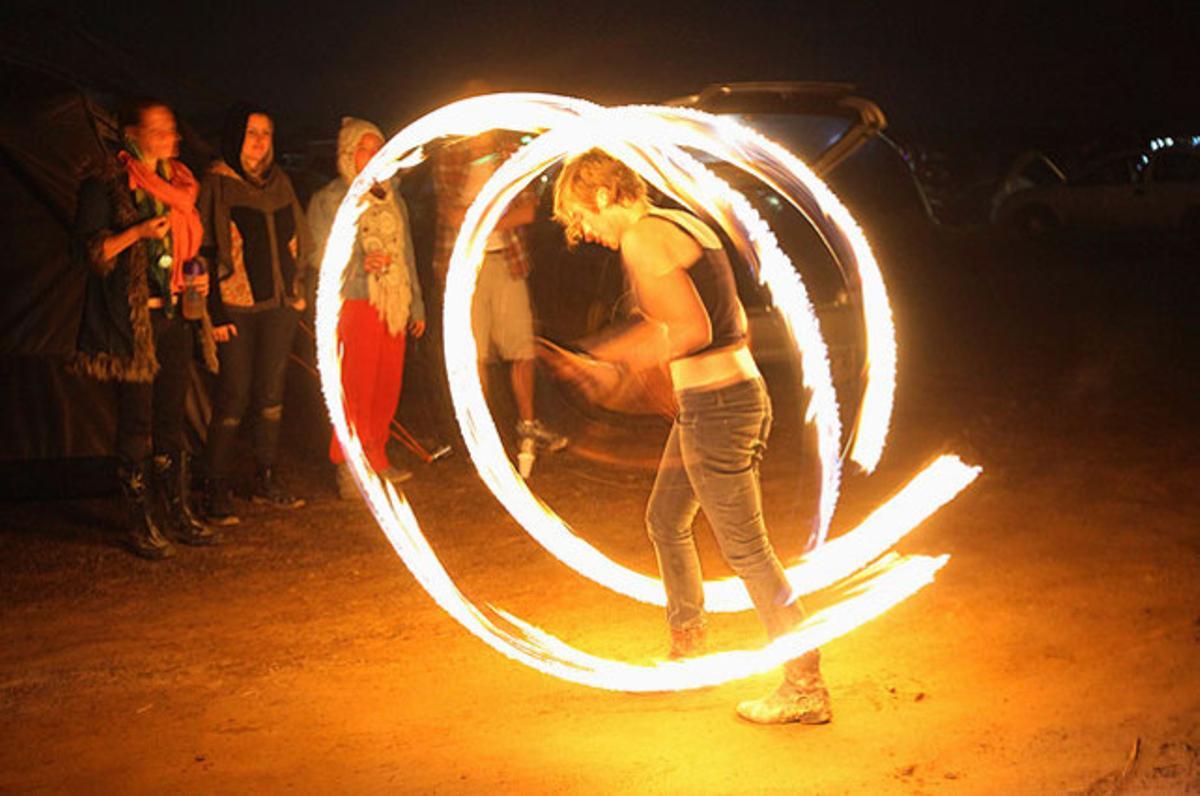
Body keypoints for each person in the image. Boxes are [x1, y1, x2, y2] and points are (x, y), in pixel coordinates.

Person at [549, 149, 832, 725]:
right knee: (666, 519)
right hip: (721, 400)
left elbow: (691, 329)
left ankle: (804, 682)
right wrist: (611, 357)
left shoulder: (642, 239)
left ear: (601, 195)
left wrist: (612, 364)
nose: (584, 233)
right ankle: (688, 642)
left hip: (719, 408)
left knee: (747, 549)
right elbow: (721, 321)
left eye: (582, 217)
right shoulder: (684, 221)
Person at [71, 97, 221, 558]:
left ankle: (177, 512)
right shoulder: (108, 184)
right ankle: (141, 521)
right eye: (157, 129)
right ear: (132, 134)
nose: (168, 138)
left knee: (170, 419)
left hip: (175, 314)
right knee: (137, 421)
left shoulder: (181, 184)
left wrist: (195, 280)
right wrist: (138, 232)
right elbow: (91, 253)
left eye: (171, 129)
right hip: (132, 321)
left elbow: (191, 247)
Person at [199, 104, 312, 524]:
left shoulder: (281, 183)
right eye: (251, 132)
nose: (260, 140)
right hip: (235, 308)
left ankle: (266, 479)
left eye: (266, 132)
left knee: (271, 394)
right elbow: (205, 251)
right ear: (235, 137)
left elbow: (299, 240)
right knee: (234, 394)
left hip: (279, 308)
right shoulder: (217, 184)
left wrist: (298, 290)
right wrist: (213, 312)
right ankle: (215, 485)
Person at [432, 124, 567, 461]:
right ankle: (482, 432)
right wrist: (493, 217)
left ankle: (528, 425)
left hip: (507, 262)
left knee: (521, 347)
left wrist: (477, 219)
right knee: (472, 352)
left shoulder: (511, 157)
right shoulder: (449, 160)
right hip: (464, 267)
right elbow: (449, 214)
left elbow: (528, 211)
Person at [308, 117, 426, 497]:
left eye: (380, 149)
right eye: (366, 148)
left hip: (393, 302)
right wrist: (361, 263)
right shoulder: (330, 200)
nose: (375, 156)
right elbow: (318, 256)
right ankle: (348, 465)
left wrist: (417, 305)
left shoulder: (394, 197)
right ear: (348, 153)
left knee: (386, 382)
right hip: (356, 301)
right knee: (355, 386)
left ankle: (376, 456)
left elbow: (406, 253)